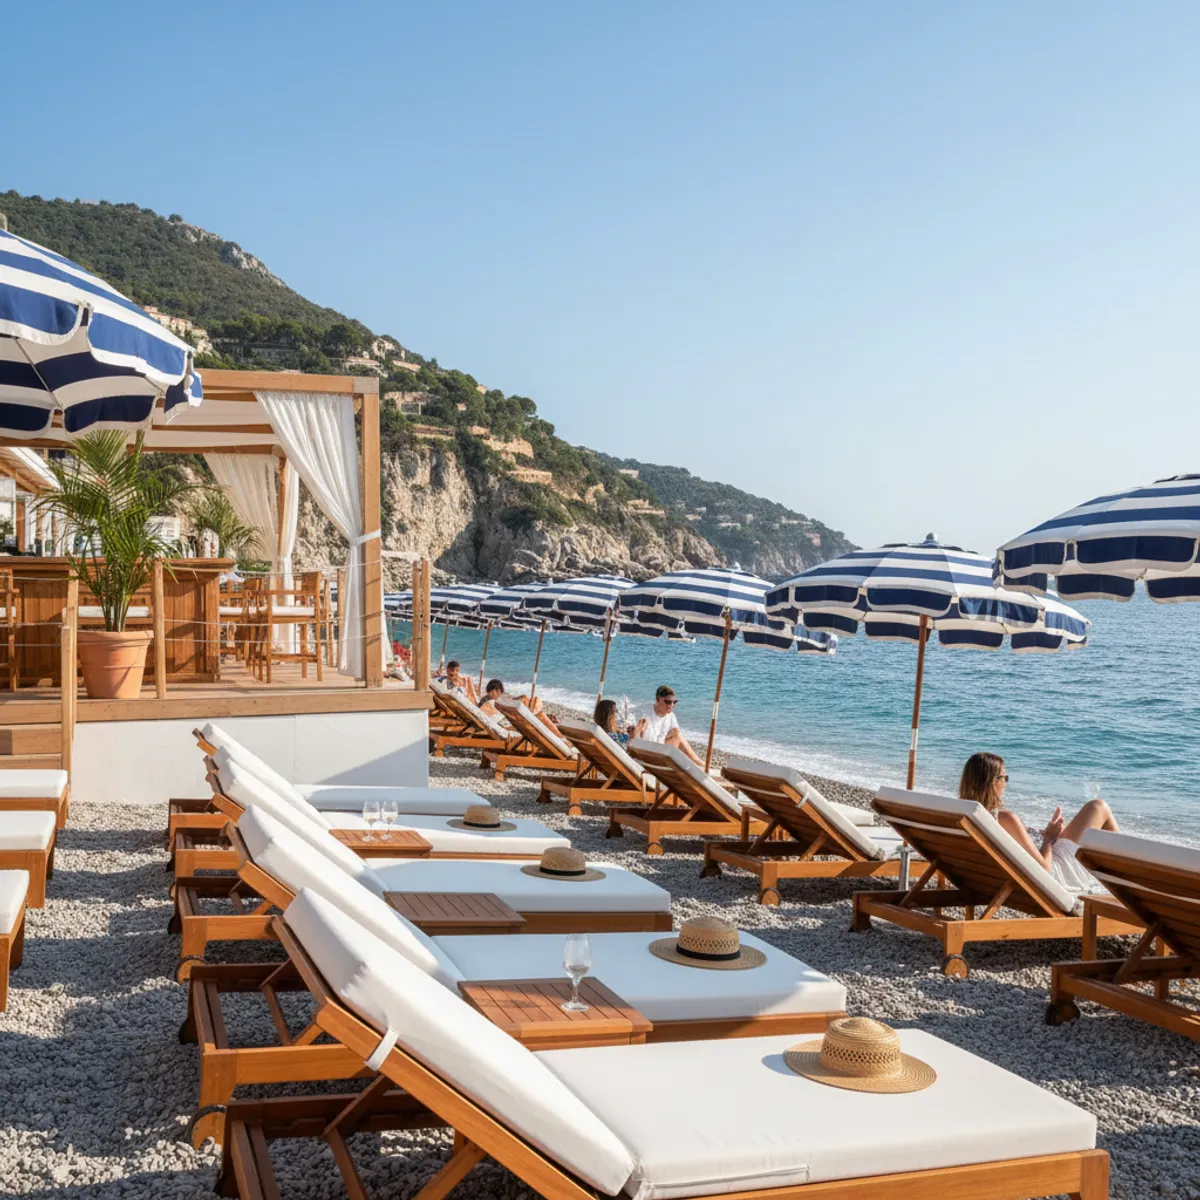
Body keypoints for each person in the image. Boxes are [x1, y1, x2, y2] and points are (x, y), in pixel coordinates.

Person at [959, 752, 1118, 894]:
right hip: (1052, 879)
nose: (1006, 783)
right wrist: (1049, 839)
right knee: (1098, 807)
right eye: (1004, 778)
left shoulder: (963, 815)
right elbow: (1044, 869)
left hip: (1001, 881)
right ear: (993, 782)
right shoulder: (1005, 819)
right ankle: (1128, 881)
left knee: (1082, 824)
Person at [634, 685, 704, 766]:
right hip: (647, 754)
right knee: (678, 738)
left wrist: (668, 736)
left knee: (677, 736)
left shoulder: (670, 716)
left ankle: (697, 762)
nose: (671, 705)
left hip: (659, 750)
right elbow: (635, 737)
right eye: (668, 702)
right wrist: (641, 730)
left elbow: (675, 731)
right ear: (657, 700)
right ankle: (698, 763)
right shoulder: (645, 714)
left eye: (674, 702)